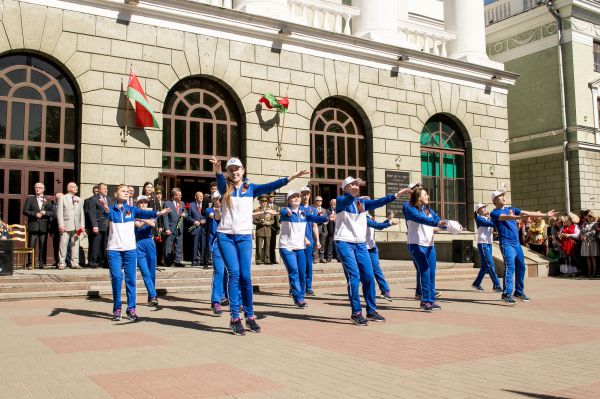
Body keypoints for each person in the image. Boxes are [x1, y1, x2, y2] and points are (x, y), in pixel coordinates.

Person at [210, 155, 308, 336]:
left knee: (246, 277)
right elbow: (221, 184)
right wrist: (218, 172)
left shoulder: (251, 188)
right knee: (234, 274)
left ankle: (249, 316)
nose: (234, 172)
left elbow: (271, 186)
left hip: (244, 237)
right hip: (226, 237)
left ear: (243, 170)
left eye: (237, 169)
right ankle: (234, 318)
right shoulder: (225, 188)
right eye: (230, 170)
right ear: (228, 173)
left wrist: (290, 178)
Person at [335, 176, 410, 325]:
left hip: (361, 244)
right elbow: (346, 201)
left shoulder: (362, 203)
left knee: (369, 277)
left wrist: (396, 195)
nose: (356, 185)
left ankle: (371, 310)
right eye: (352, 184)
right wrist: (352, 195)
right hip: (344, 242)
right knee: (354, 277)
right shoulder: (340, 201)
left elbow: (378, 202)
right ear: (346, 188)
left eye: (357, 183)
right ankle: (356, 312)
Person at [100, 185, 170, 321]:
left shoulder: (131, 210)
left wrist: (158, 213)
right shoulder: (112, 210)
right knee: (116, 278)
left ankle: (131, 309)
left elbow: (145, 213)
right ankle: (117, 308)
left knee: (131, 279)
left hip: (130, 250)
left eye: (128, 191)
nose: (126, 193)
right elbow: (107, 213)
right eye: (123, 191)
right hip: (114, 249)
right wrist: (106, 209)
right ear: (115, 194)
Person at [490, 190, 557, 304]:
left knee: (521, 267)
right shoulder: (494, 213)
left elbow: (528, 213)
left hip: (516, 244)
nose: (503, 197)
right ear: (495, 200)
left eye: (503, 195)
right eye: (500, 196)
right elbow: (505, 217)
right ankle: (506, 294)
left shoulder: (511, 209)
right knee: (510, 268)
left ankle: (519, 292)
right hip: (506, 243)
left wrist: (545, 215)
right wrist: (519, 218)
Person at [280, 190, 328, 308]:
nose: (296, 198)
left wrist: (327, 217)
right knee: (294, 271)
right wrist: (287, 211)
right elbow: (283, 211)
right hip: (287, 247)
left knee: (302, 273)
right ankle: (298, 297)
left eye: (297, 196)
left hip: (300, 247)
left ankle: (300, 297)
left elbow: (315, 219)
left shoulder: (304, 213)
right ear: (289, 200)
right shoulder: (286, 210)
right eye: (293, 197)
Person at [405, 187, 446, 312]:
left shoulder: (427, 210)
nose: (428, 196)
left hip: (429, 245)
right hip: (416, 244)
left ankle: (431, 300)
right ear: (418, 197)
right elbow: (420, 219)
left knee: (432, 272)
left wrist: (447, 225)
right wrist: (435, 224)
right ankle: (424, 301)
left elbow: (438, 220)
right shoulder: (409, 207)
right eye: (425, 194)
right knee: (425, 270)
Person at [364, 207, 399, 301]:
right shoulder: (362, 217)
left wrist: (388, 220)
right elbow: (377, 226)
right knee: (366, 273)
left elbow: (378, 225)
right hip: (363, 249)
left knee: (377, 270)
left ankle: (385, 291)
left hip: (372, 247)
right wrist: (390, 223)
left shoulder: (369, 216)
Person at [134, 195, 159, 308]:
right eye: (141, 202)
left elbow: (153, 224)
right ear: (137, 204)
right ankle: (153, 295)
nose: (144, 204)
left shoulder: (150, 213)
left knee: (152, 272)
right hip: (138, 243)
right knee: (145, 271)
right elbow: (138, 225)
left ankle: (151, 297)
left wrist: (143, 219)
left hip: (149, 242)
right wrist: (146, 220)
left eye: (145, 202)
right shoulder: (134, 213)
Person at [471, 203, 502, 292]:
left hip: (489, 243)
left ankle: (476, 283)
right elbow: (491, 224)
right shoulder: (479, 218)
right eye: (482, 208)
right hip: (483, 244)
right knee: (490, 264)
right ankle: (497, 285)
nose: (484, 209)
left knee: (485, 266)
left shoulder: (487, 217)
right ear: (478, 211)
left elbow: (492, 224)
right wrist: (497, 218)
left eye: (485, 207)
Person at [22, 182, 53, 269]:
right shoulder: (30, 199)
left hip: (43, 226)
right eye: (36, 187)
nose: (37, 189)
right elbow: (25, 211)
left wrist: (45, 212)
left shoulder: (47, 200)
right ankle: (30, 263)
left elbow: (52, 212)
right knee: (31, 245)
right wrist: (35, 214)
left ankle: (42, 263)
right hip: (33, 225)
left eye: (39, 187)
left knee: (43, 245)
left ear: (43, 189)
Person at [56, 182, 85, 270]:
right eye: (74, 187)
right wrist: (61, 225)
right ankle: (62, 263)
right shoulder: (63, 198)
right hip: (66, 225)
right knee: (63, 244)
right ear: (68, 189)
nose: (76, 188)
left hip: (77, 226)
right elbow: (59, 213)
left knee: (75, 244)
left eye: (76, 186)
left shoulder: (79, 199)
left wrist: (82, 226)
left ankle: (75, 263)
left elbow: (81, 213)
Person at [207, 191, 226, 315]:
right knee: (219, 271)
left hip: (230, 243)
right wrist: (218, 211)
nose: (219, 201)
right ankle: (215, 302)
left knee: (232, 273)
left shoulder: (229, 210)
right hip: (217, 243)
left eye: (221, 199)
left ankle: (234, 300)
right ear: (213, 200)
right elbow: (214, 216)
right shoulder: (210, 210)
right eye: (217, 199)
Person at [300, 186, 321, 295]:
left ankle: (308, 287)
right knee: (298, 265)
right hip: (297, 241)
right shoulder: (297, 208)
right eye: (304, 194)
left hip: (310, 241)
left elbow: (315, 226)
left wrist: (317, 241)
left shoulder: (312, 209)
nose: (306, 196)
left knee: (309, 264)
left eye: (307, 194)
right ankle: (296, 287)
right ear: (301, 195)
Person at [88, 183, 111, 269]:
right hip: (98, 224)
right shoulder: (94, 199)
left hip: (108, 225)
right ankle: (93, 262)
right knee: (96, 244)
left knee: (106, 244)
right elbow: (92, 213)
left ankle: (105, 262)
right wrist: (94, 225)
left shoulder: (109, 199)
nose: (106, 190)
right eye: (104, 188)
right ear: (99, 189)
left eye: (106, 188)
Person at [162, 188, 186, 267]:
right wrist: (167, 228)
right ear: (174, 196)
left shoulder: (182, 203)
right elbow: (165, 217)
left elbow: (185, 212)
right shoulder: (167, 203)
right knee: (168, 244)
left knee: (179, 244)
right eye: (179, 195)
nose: (181, 196)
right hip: (171, 227)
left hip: (179, 227)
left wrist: (184, 214)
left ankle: (177, 261)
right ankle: (168, 261)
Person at [188, 191, 207, 267]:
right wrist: (194, 221)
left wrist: (205, 220)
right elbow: (188, 216)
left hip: (203, 228)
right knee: (195, 244)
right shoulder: (191, 205)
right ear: (195, 197)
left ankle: (202, 260)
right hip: (195, 227)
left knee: (203, 244)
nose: (201, 197)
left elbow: (208, 214)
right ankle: (194, 260)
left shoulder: (205, 204)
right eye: (199, 196)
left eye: (202, 196)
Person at [253, 195, 274, 265]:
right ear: (259, 202)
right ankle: (258, 259)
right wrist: (261, 222)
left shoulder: (270, 210)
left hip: (268, 231)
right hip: (260, 231)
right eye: (262, 201)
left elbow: (273, 220)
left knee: (267, 246)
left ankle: (267, 260)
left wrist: (269, 223)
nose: (264, 203)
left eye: (265, 201)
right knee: (259, 246)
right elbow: (254, 221)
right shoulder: (256, 210)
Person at [559, 213, 580, 277]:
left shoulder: (575, 226)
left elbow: (577, 235)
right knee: (567, 258)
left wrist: (569, 235)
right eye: (566, 221)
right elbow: (559, 235)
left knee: (573, 258)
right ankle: (569, 271)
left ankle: (575, 271)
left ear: (571, 221)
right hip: (565, 244)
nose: (566, 222)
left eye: (567, 220)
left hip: (572, 244)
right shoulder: (563, 227)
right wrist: (560, 235)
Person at [580, 211, 598, 277]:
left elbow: (593, 232)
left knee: (592, 257)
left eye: (591, 216)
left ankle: (594, 272)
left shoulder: (595, 224)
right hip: (585, 242)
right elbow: (581, 231)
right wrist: (582, 235)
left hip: (592, 242)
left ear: (593, 217)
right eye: (588, 216)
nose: (589, 218)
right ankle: (589, 272)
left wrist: (585, 236)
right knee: (587, 257)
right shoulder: (585, 223)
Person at [313, 196, 327, 263]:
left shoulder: (324, 210)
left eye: (320, 200)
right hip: (315, 227)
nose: (319, 201)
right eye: (318, 200)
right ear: (315, 201)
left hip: (323, 228)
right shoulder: (312, 209)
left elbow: (327, 219)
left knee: (322, 243)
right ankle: (315, 257)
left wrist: (326, 221)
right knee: (316, 242)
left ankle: (322, 257)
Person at [154, 187, 166, 266]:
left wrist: (162, 226)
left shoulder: (164, 203)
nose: (158, 196)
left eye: (160, 194)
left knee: (161, 245)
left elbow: (163, 216)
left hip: (163, 226)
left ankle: (160, 260)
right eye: (157, 194)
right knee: (156, 244)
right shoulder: (154, 202)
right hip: (155, 225)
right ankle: (155, 261)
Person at [267, 192, 280, 265]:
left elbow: (277, 218)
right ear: (268, 198)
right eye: (270, 197)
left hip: (274, 228)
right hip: (267, 227)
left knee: (273, 244)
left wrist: (278, 227)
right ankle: (267, 259)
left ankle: (273, 259)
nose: (271, 198)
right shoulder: (266, 206)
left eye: (273, 197)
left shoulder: (276, 206)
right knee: (267, 244)